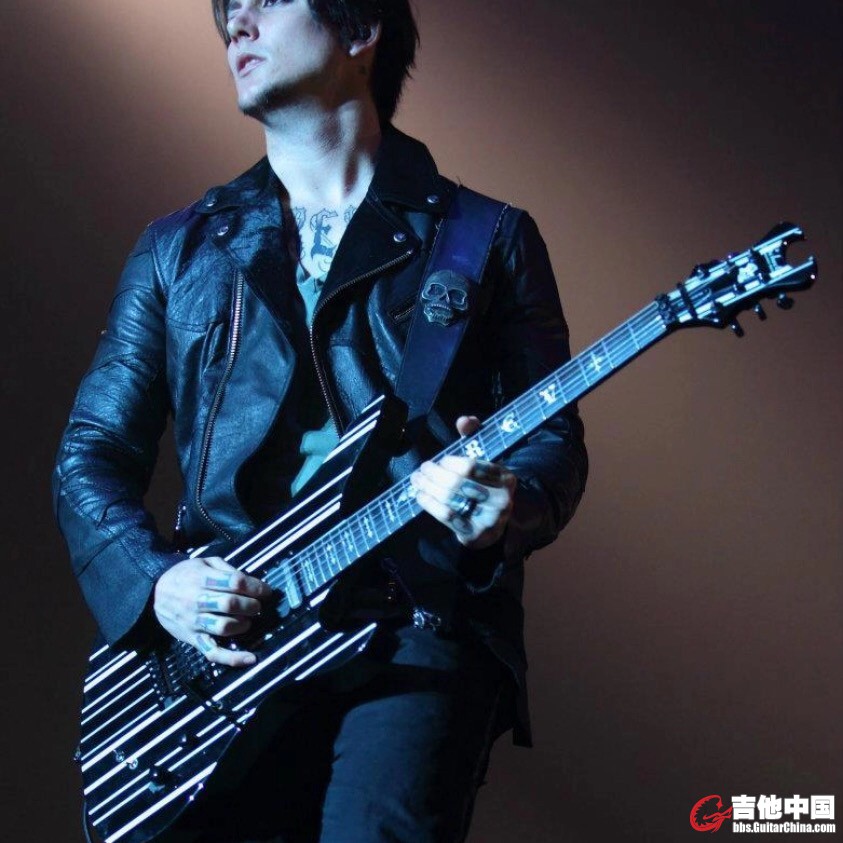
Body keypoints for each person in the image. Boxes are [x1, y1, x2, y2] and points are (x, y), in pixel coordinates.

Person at [53, 1, 588, 840]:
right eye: (227, 9)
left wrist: (507, 503)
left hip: (412, 620)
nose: (236, 23)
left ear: (358, 28)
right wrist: (157, 583)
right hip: (230, 645)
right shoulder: (178, 250)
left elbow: (552, 437)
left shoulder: (486, 239)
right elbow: (90, 453)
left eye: (266, 0)